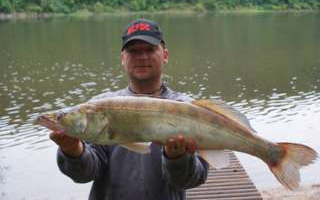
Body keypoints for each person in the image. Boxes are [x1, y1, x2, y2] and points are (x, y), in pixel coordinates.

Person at [49, 18, 209, 200]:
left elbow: (192, 179)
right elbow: (84, 175)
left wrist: (177, 159)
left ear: (165, 55)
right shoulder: (98, 108)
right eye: (133, 51)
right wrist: (73, 152)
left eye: (150, 49)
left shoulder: (189, 108)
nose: (142, 57)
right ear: (123, 59)